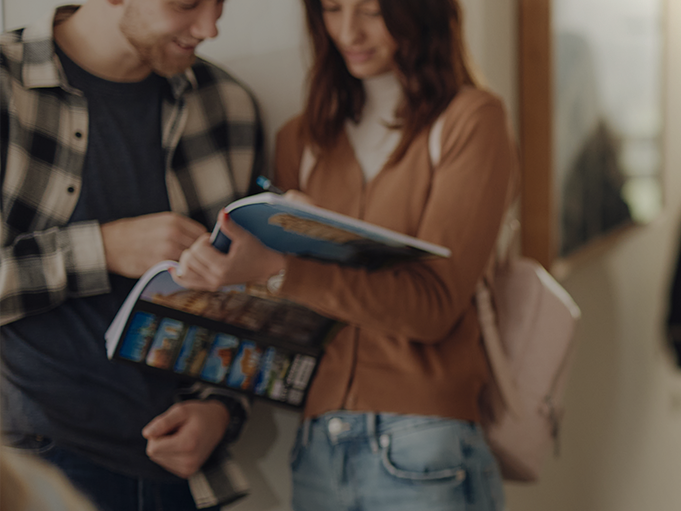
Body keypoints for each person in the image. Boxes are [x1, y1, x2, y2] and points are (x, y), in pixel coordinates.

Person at [173, 0, 516, 509]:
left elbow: (432, 309)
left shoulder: (470, 120)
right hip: (318, 446)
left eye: (373, 11)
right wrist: (230, 272)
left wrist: (284, 269)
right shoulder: (303, 139)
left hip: (422, 441)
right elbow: (294, 320)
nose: (349, 31)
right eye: (332, 8)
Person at [0, 1, 262, 510]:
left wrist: (223, 410)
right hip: (30, 467)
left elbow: (247, 297)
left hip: (182, 477)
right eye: (188, 3)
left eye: (220, 2)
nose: (210, 28)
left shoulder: (228, 107)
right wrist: (102, 248)